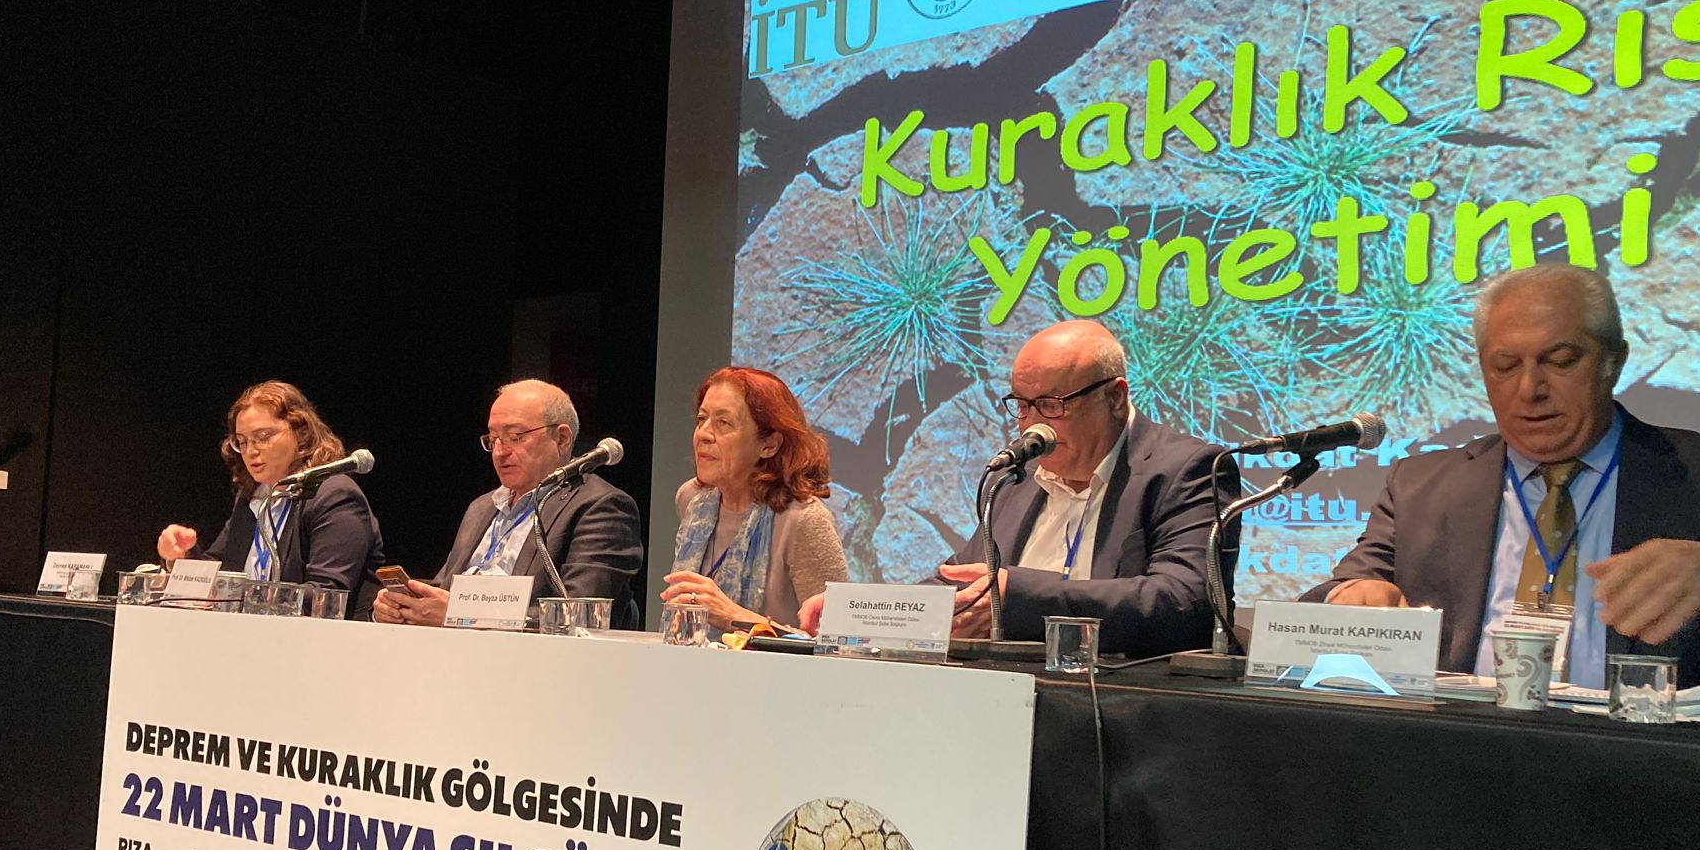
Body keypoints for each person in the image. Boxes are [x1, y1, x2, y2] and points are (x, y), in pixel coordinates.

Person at [1310, 262, 1700, 712]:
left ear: (1613, 362)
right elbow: (1339, 592)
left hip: (1661, 762)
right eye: (1505, 366)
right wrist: (1351, 595)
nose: (1530, 390)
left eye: (1560, 361)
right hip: (1462, 751)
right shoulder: (1421, 486)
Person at [798, 319, 1238, 656]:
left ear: (1115, 398)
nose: (1032, 425)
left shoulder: (1187, 470)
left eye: (1052, 405)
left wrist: (1018, 595)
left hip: (1121, 710)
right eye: (1022, 405)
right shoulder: (1017, 477)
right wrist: (859, 609)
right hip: (1004, 698)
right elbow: (961, 582)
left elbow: (1186, 603)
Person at [373, 379, 642, 628]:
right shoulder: (482, 507)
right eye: (493, 440)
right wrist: (404, 605)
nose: (500, 451)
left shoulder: (601, 506)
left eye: (516, 436)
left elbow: (579, 615)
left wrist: (462, 615)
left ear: (562, 438)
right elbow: (446, 589)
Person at [157, 380, 387, 617]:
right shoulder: (254, 498)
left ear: (302, 434)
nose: (251, 450)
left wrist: (246, 596)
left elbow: (325, 596)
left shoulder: (335, 495)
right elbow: (222, 572)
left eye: (263, 437)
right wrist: (182, 556)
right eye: (242, 441)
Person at [661, 367, 848, 630]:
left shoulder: (803, 520)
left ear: (769, 445)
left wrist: (735, 618)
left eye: (723, 423)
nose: (703, 434)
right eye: (702, 419)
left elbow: (839, 640)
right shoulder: (692, 500)